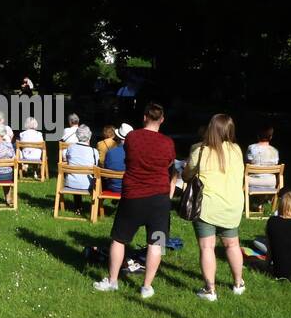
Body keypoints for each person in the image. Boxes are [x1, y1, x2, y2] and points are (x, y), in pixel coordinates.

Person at [94, 102, 176, 299]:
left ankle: (113, 281)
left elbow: (130, 157)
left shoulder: (132, 137)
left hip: (133, 195)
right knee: (157, 242)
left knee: (119, 239)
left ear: (145, 117)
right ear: (162, 120)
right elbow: (170, 165)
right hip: (159, 198)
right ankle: (147, 286)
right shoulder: (168, 143)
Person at [186, 114, 247, 300]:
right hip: (233, 205)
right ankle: (238, 283)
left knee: (207, 247)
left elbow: (187, 174)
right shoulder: (237, 150)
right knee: (233, 244)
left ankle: (210, 289)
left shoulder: (200, 150)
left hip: (207, 206)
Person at [63, 125, 99, 211]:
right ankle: (93, 209)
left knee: (76, 176)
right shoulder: (94, 152)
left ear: (77, 136)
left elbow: (67, 160)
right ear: (89, 137)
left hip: (71, 183)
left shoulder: (70, 148)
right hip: (88, 184)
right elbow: (96, 166)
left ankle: (78, 207)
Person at [100, 124, 129, 193]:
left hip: (112, 186)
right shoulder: (134, 153)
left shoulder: (110, 152)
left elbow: (106, 169)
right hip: (128, 187)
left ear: (118, 137)